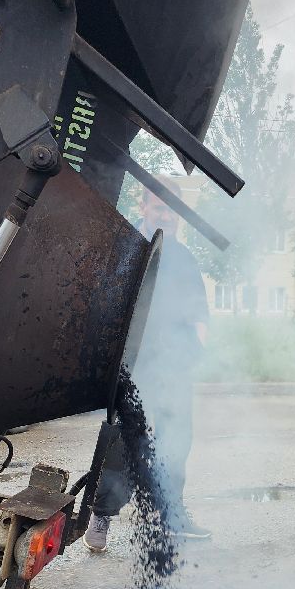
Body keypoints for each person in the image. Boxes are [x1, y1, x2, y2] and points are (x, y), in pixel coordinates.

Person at [86, 190, 211, 551]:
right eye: (159, 209)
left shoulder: (184, 259)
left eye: (173, 213)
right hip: (132, 364)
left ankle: (170, 514)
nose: (167, 218)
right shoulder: (126, 246)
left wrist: (194, 353)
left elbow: (198, 314)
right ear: (143, 207)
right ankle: (102, 515)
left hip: (174, 365)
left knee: (176, 439)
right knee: (124, 440)